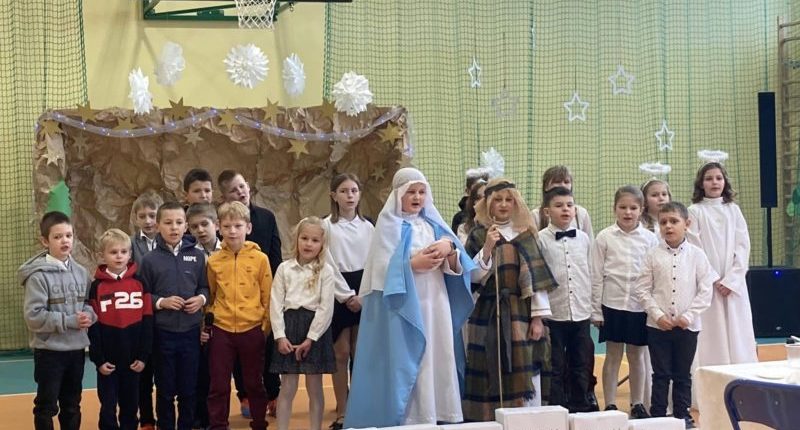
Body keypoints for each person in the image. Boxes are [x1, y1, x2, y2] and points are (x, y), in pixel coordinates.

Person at [345, 168, 476, 428]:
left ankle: (439, 411)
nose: (417, 197)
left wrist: (450, 249)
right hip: (405, 307)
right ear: (398, 195)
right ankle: (413, 416)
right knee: (412, 358)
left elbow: (458, 267)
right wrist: (411, 265)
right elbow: (380, 272)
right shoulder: (388, 227)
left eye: (421, 192)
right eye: (411, 192)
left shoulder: (433, 225)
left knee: (437, 352)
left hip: (435, 302)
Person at [462, 177, 557, 421]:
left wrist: (538, 319)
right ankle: (488, 419)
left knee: (524, 364)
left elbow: (538, 282)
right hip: (487, 311)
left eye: (508, 200)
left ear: (516, 203)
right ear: (488, 204)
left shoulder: (526, 235)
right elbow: (472, 277)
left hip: (520, 312)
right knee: (488, 364)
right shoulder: (478, 235)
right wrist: (487, 248)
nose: (504, 205)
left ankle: (524, 420)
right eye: (498, 200)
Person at [635, 202, 716, 429]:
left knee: (682, 375)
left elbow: (705, 290)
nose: (668, 226)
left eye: (674, 221)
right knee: (660, 374)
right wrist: (657, 315)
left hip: (687, 328)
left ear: (686, 224)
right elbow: (642, 289)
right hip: (657, 327)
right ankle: (658, 417)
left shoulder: (697, 255)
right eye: (663, 222)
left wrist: (688, 316)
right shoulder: (652, 255)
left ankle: (682, 416)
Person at [19, 211, 97, 430]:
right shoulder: (38, 276)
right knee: (46, 406)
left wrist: (89, 315)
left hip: (76, 351)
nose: (65, 241)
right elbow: (34, 316)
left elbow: (89, 304)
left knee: (72, 405)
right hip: (49, 353)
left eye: (68, 235)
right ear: (45, 241)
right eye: (58, 236)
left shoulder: (81, 273)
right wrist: (70, 321)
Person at [137, 202, 209, 430]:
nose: (174, 227)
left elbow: (205, 287)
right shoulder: (149, 260)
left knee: (189, 389)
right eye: (168, 223)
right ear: (158, 226)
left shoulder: (198, 256)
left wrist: (201, 299)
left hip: (191, 334)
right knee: (165, 390)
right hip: (163, 334)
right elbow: (142, 296)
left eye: (179, 222)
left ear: (186, 226)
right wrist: (161, 302)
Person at [218, 169, 282, 417]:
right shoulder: (223, 223)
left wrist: (276, 291)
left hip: (262, 293)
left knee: (266, 346)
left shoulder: (266, 216)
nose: (240, 192)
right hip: (234, 300)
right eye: (233, 190)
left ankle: (273, 394)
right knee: (238, 352)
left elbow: (275, 256)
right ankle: (244, 395)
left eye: (242, 186)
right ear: (224, 197)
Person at [590, 186, 657, 418]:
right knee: (613, 355)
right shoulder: (604, 237)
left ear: (641, 210)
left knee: (637, 356)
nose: (628, 212)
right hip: (612, 305)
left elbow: (653, 277)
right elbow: (596, 275)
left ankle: (637, 403)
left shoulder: (650, 239)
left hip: (639, 307)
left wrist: (652, 309)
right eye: (623, 207)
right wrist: (596, 311)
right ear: (614, 209)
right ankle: (609, 403)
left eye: (633, 208)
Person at [206, 201, 273, 430]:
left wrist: (263, 328)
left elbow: (267, 295)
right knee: (219, 384)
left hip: (252, 328)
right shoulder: (213, 261)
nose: (232, 231)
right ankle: (218, 425)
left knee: (254, 383)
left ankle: (259, 423)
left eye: (238, 226)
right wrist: (210, 321)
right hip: (222, 330)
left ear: (248, 228)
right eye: (227, 226)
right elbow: (212, 294)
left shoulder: (261, 259)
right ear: (219, 228)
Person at [687, 162, 758, 365]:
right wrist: (712, 279)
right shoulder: (694, 211)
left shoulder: (733, 210)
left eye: (718, 178)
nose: (714, 182)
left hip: (733, 285)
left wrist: (731, 280)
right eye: (709, 179)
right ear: (701, 184)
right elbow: (694, 247)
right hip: (708, 285)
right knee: (711, 331)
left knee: (738, 330)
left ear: (725, 182)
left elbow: (743, 246)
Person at [270, 217, 336, 430]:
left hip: (314, 330)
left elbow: (326, 308)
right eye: (304, 238)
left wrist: (311, 338)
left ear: (322, 244)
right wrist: (280, 336)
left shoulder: (326, 271)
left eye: (315, 240)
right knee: (287, 387)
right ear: (296, 239)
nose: (308, 244)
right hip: (289, 328)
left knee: (315, 387)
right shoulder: (284, 269)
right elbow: (275, 304)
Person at [322, 173, 374, 430]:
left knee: (360, 352)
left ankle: (361, 409)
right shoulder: (326, 226)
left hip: (364, 290)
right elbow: (327, 263)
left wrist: (362, 296)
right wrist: (345, 295)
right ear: (334, 196)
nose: (349, 196)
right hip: (338, 291)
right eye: (344, 191)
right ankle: (342, 410)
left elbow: (375, 262)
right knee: (340, 352)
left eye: (354, 190)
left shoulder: (369, 226)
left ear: (359, 194)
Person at [88, 228, 153, 430]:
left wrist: (143, 357)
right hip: (108, 363)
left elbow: (148, 322)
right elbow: (93, 328)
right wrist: (99, 360)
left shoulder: (140, 283)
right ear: (102, 255)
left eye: (123, 252)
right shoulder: (96, 287)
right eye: (113, 252)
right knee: (108, 406)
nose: (119, 256)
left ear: (130, 254)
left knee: (130, 406)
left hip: (133, 362)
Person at [538, 187, 593, 412]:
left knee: (581, 363)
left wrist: (593, 308)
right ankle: (556, 409)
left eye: (570, 205)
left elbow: (591, 273)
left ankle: (580, 406)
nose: (565, 210)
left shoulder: (584, 239)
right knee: (556, 365)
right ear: (547, 211)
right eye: (559, 205)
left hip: (581, 312)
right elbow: (538, 278)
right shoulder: (540, 239)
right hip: (554, 313)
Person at [128, 190, 163, 430]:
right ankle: (147, 419)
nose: (148, 221)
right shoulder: (130, 245)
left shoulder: (168, 242)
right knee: (143, 371)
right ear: (136, 218)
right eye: (143, 216)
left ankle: (165, 416)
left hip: (164, 315)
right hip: (141, 316)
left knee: (164, 373)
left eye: (152, 215)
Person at [185, 202, 221, 429]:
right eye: (194, 226)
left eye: (204, 224)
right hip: (198, 324)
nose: (200, 230)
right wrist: (199, 325)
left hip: (225, 321)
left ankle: (218, 418)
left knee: (219, 376)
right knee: (199, 374)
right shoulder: (188, 254)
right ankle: (200, 418)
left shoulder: (229, 251)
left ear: (216, 224)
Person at [532, 165, 594, 237]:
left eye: (566, 182)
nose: (562, 185)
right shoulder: (536, 215)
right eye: (557, 182)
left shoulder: (581, 213)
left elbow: (589, 242)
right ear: (546, 187)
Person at [451, 168, 490, 232]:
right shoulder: (460, 220)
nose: (482, 201)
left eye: (486, 196)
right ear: (467, 191)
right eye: (477, 197)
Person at [456, 180, 486, 245]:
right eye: (478, 198)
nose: (482, 201)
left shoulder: (502, 226)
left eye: (485, 197)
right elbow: (467, 250)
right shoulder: (463, 229)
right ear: (473, 202)